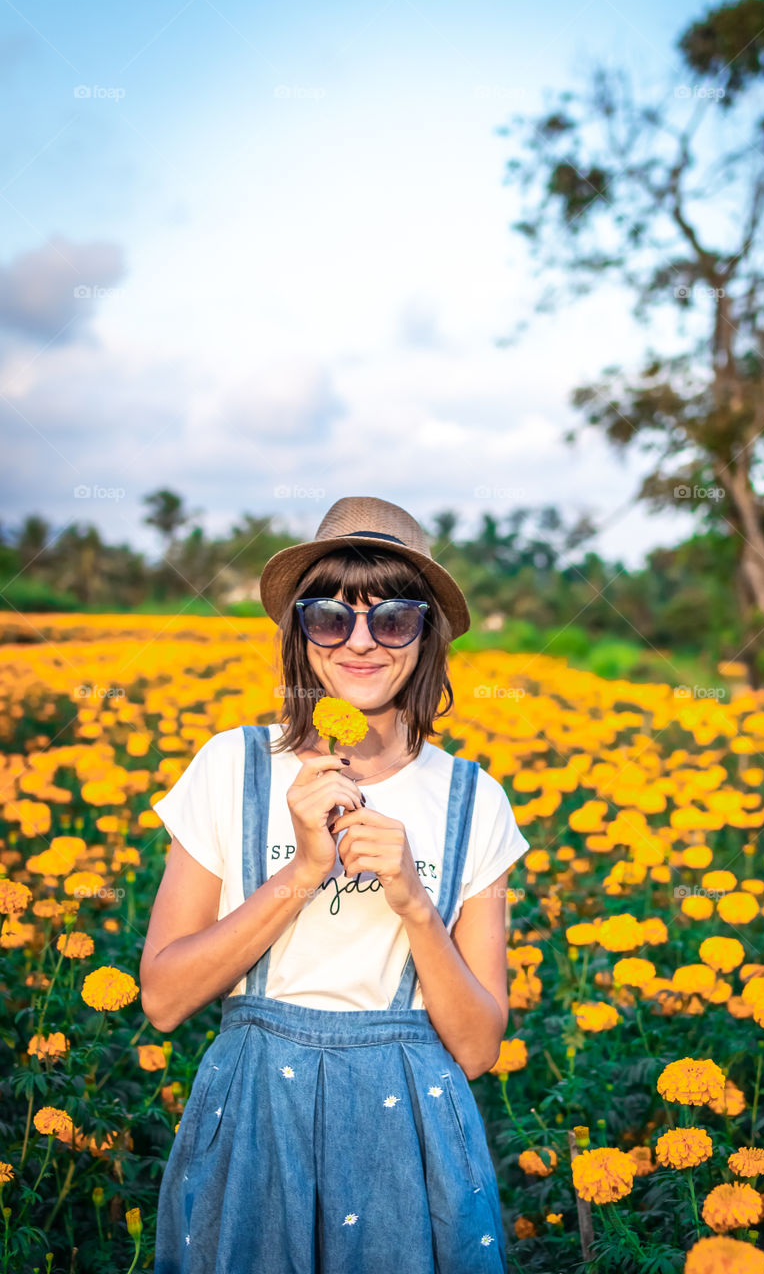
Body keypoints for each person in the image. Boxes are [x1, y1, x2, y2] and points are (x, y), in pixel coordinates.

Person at [141, 495, 531, 1274]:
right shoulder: (232, 766)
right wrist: (304, 869)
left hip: (409, 1125)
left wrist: (415, 903)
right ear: (300, 632)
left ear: (424, 637)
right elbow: (163, 999)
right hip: (255, 1112)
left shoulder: (470, 799)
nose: (360, 642)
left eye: (391, 618)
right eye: (330, 617)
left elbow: (480, 1047)